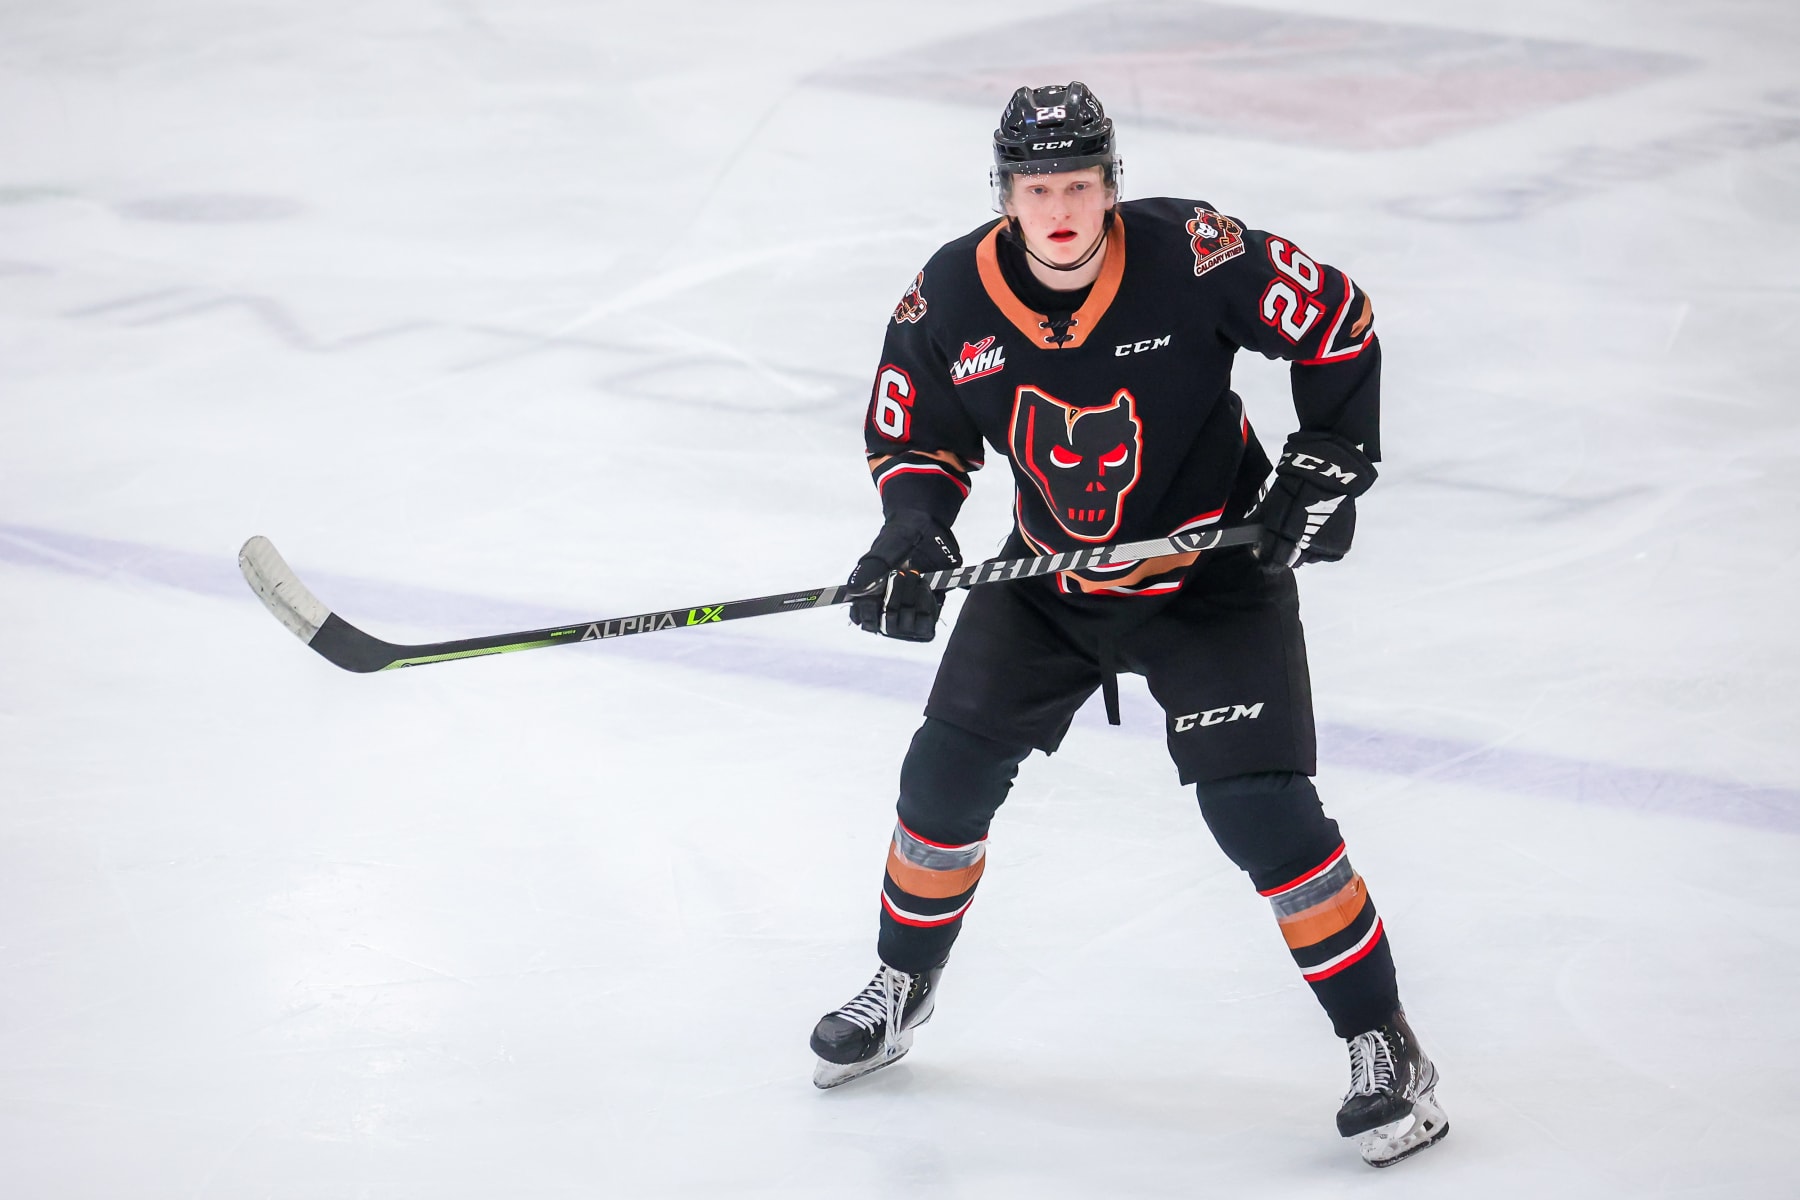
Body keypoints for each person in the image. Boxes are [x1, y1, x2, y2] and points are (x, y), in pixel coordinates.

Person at [808, 82, 1448, 1168]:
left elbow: (1337, 322)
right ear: (1003, 192)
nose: (1058, 209)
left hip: (1210, 574)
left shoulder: (1193, 253)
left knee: (1262, 811)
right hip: (1049, 580)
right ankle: (903, 984)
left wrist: (1334, 455)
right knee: (942, 781)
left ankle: (1387, 1044)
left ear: (1112, 184)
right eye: (1035, 186)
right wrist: (913, 529)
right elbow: (917, 430)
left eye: (1078, 184)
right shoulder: (949, 297)